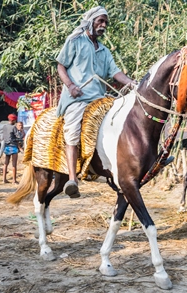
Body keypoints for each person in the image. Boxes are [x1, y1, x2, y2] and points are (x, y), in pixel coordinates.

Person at [56, 6, 136, 198]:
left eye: (105, 22)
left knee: (122, 121)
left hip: (100, 99)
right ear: (90, 21)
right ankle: (72, 179)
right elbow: (61, 66)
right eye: (100, 21)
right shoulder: (74, 41)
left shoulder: (105, 51)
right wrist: (71, 86)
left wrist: (132, 83)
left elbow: (115, 72)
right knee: (72, 132)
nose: (103, 25)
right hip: (78, 98)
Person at [2, 114, 20, 184]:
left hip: (6, 146)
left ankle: (4, 179)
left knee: (6, 163)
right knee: (14, 164)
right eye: (15, 120)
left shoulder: (4, 126)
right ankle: (14, 180)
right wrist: (20, 131)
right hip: (13, 146)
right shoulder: (13, 127)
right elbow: (18, 136)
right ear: (13, 120)